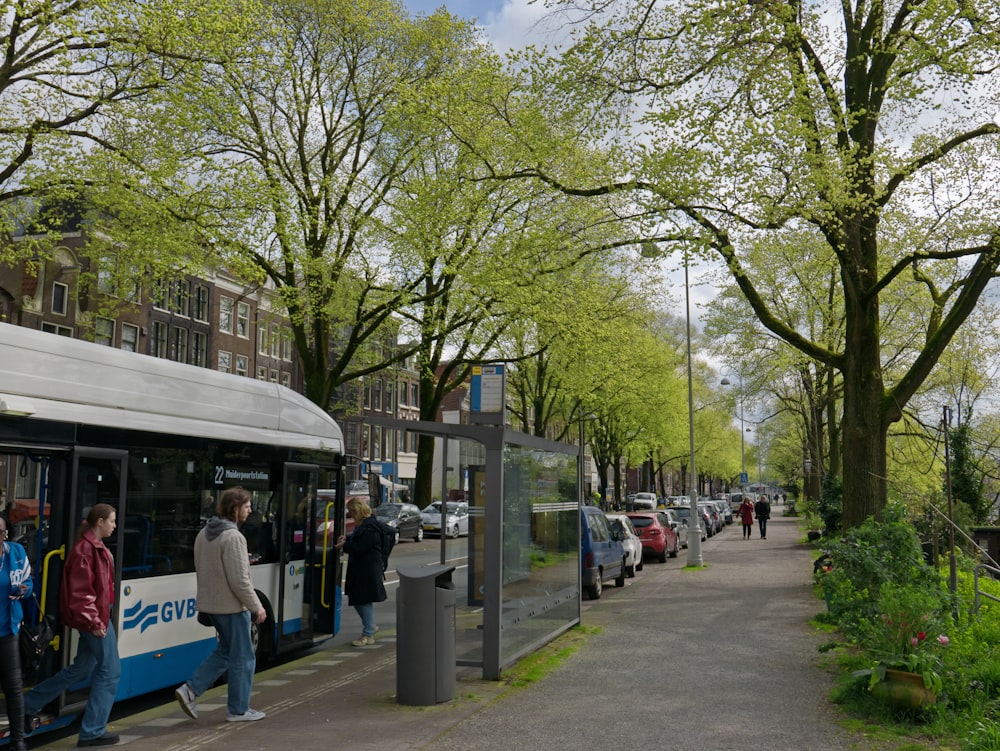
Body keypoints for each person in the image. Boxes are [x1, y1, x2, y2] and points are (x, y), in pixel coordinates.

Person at [24, 503, 121, 748]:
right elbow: (81, 594)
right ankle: (92, 731)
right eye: (111, 521)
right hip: (96, 620)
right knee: (110, 671)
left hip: (97, 618)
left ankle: (27, 704)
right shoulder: (86, 550)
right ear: (100, 522)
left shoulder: (92, 548)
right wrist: (96, 622)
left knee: (80, 669)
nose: (115, 525)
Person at [175, 486, 266, 723]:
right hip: (232, 607)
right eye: (246, 506)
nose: (250, 510)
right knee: (244, 657)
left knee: (226, 651)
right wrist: (256, 606)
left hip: (211, 605)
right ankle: (238, 709)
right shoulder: (234, 536)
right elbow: (239, 580)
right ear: (235, 509)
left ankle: (190, 690)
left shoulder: (204, 534)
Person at [335, 498, 386, 647]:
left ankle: (368, 633)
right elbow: (359, 540)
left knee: (362, 599)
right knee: (358, 598)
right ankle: (370, 626)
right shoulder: (367, 524)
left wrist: (345, 545)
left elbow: (360, 547)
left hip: (366, 570)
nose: (349, 514)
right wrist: (348, 539)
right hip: (363, 569)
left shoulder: (369, 526)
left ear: (356, 510)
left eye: (351, 512)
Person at [1, 515, 32, 751]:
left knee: (13, 685)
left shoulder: (17, 552)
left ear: (6, 534)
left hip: (9, 628)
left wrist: (23, 589)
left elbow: (28, 581)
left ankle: (18, 741)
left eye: (0, 532)